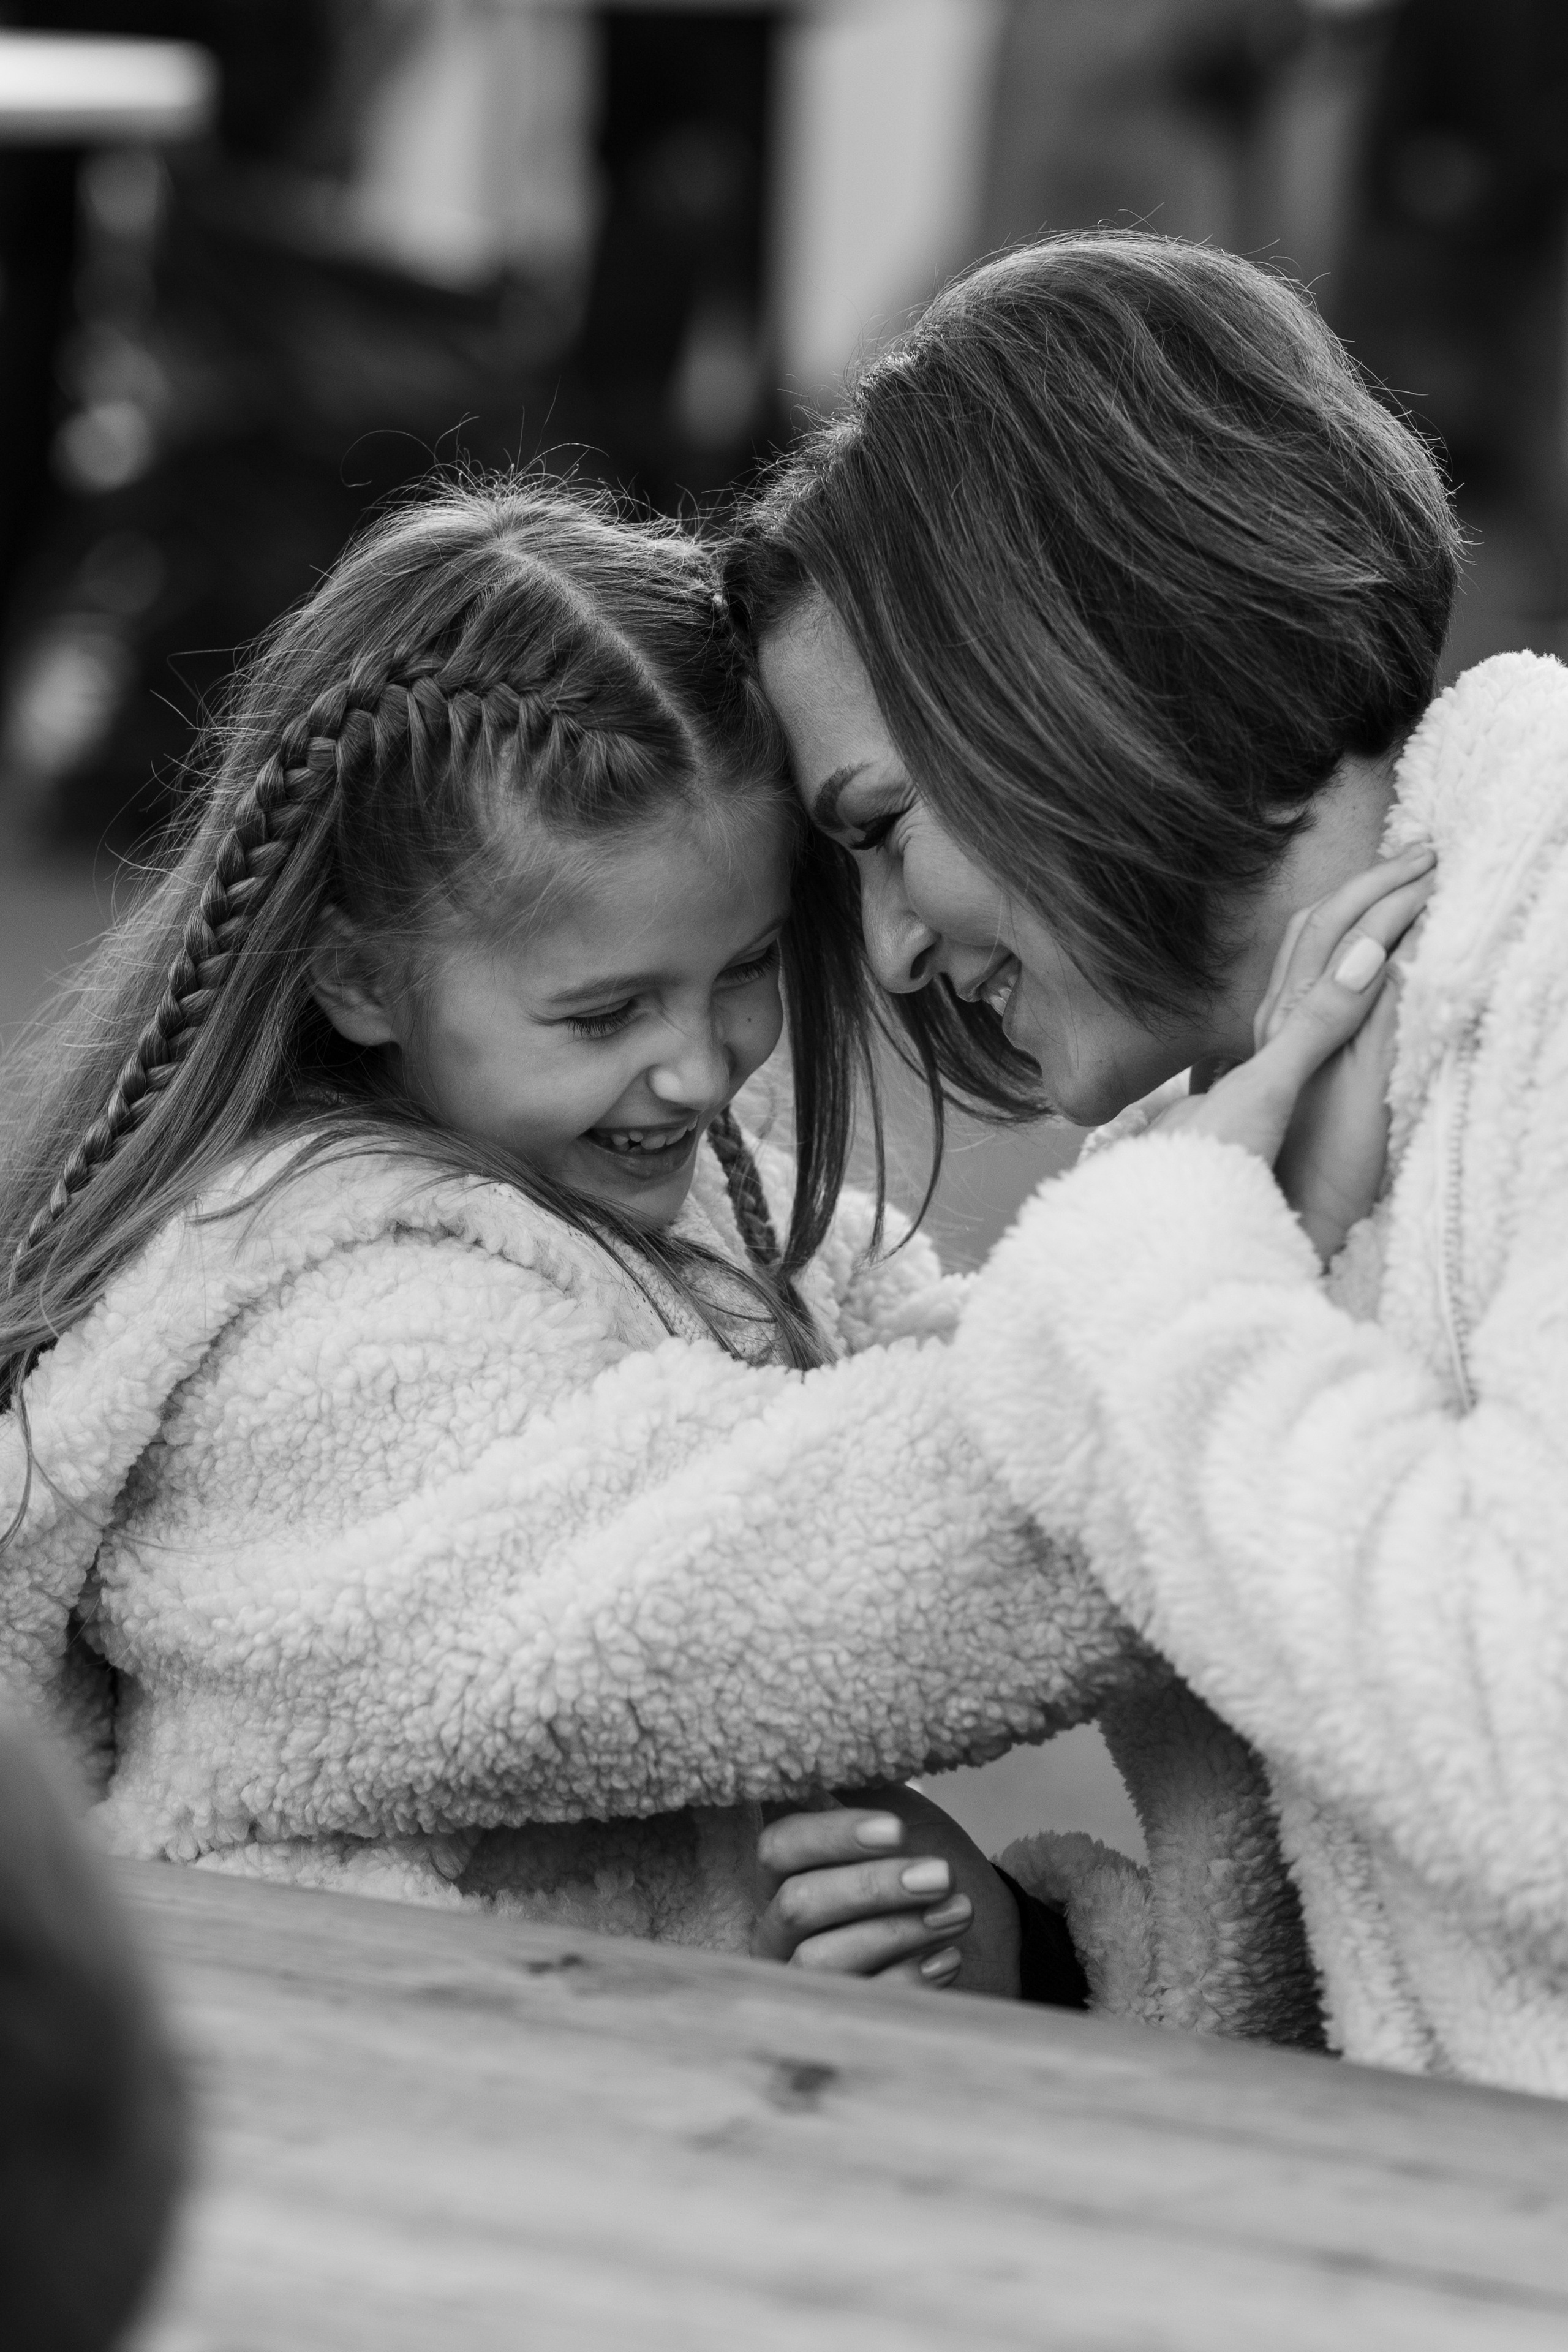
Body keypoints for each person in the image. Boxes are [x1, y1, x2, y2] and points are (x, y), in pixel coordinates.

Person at [0, 477, 1183, 2010]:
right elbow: (779, 1582)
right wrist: (1188, 1318)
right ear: (359, 977)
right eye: (606, 1011)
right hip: (367, 2139)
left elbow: (945, 1380)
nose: (699, 1067)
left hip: (642, 2134)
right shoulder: (309, 1340)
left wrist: (1010, 1957)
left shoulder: (711, 1212)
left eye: (743, 968)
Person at [734, 228, 1568, 2096]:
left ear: (1056, 671)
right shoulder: (1242, 1147)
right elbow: (1385, 1947)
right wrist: (1037, 1971)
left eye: (881, 829)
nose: (878, 955)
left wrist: (1169, 1288)